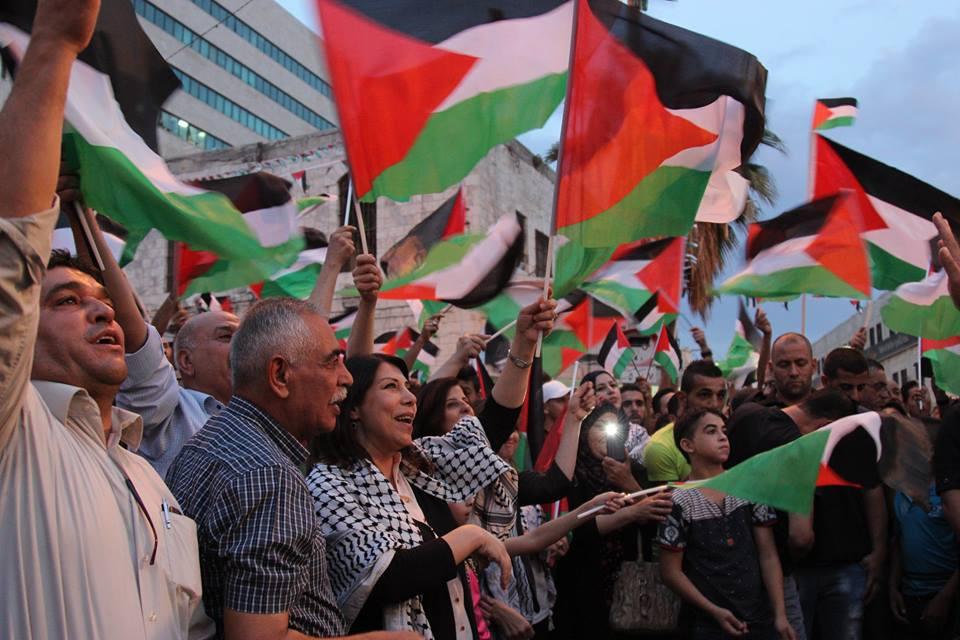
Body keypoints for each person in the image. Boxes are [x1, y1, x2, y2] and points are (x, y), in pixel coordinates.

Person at [0, 1, 213, 636]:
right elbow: (12, 257)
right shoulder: (18, 434)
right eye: (66, 301)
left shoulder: (150, 479)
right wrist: (54, 44)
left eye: (101, 299)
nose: (102, 308)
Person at [307, 297, 557, 638]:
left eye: (407, 386)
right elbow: (387, 578)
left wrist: (524, 344)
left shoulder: (419, 469)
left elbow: (492, 425)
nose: (410, 397)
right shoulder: (329, 483)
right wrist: (470, 536)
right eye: (391, 387)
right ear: (354, 408)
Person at [167, 298, 358, 639]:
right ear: (280, 375)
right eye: (332, 363)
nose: (347, 378)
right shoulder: (268, 476)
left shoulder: (206, 443)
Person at [725, 390, 859, 640]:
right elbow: (801, 537)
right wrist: (788, 561)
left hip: (728, 566)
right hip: (776, 574)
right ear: (825, 426)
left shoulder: (745, 415)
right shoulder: (800, 449)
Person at [658, 410, 795, 640]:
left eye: (724, 430)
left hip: (757, 617)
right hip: (705, 623)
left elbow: (768, 555)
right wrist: (714, 611)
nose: (723, 437)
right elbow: (670, 572)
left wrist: (780, 614)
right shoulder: (678, 500)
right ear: (688, 445)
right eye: (711, 431)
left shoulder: (750, 486)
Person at [553, 403, 675, 640]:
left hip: (630, 579)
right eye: (600, 426)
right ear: (585, 431)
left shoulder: (636, 470)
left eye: (616, 428)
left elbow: (656, 521)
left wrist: (628, 482)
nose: (607, 435)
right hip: (583, 580)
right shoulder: (570, 473)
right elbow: (578, 529)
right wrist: (631, 513)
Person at [644, 360, 726, 484]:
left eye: (720, 396)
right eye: (704, 395)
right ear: (682, 399)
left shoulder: (730, 432)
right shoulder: (660, 447)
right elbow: (670, 496)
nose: (715, 404)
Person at [765, 334, 815, 407]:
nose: (794, 373)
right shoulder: (757, 412)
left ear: (813, 366)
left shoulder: (830, 410)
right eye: (784, 365)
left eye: (801, 364)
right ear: (771, 369)